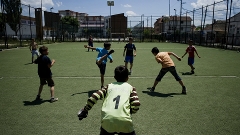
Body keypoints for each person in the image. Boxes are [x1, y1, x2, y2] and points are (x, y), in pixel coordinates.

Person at [77, 65, 140, 135]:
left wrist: (85, 110)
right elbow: (136, 104)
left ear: (114, 77)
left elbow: (94, 96)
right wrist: (131, 111)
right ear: (128, 77)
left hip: (108, 120)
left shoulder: (108, 86)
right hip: (124, 120)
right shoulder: (131, 88)